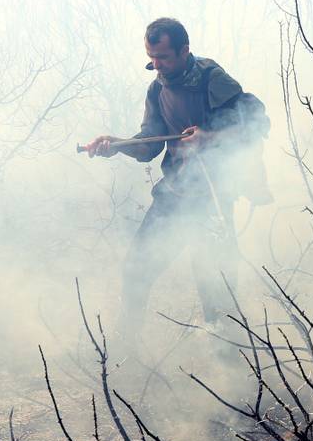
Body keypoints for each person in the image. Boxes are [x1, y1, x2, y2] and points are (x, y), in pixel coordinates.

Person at [85, 17, 270, 337]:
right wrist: (116, 145)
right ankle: (123, 354)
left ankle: (230, 365)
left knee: (216, 286)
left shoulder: (213, 80)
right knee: (137, 269)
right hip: (174, 192)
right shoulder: (157, 89)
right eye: (151, 57)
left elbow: (257, 125)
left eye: (163, 57)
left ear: (184, 51)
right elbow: (148, 146)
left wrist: (209, 138)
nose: (156, 64)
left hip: (213, 195)